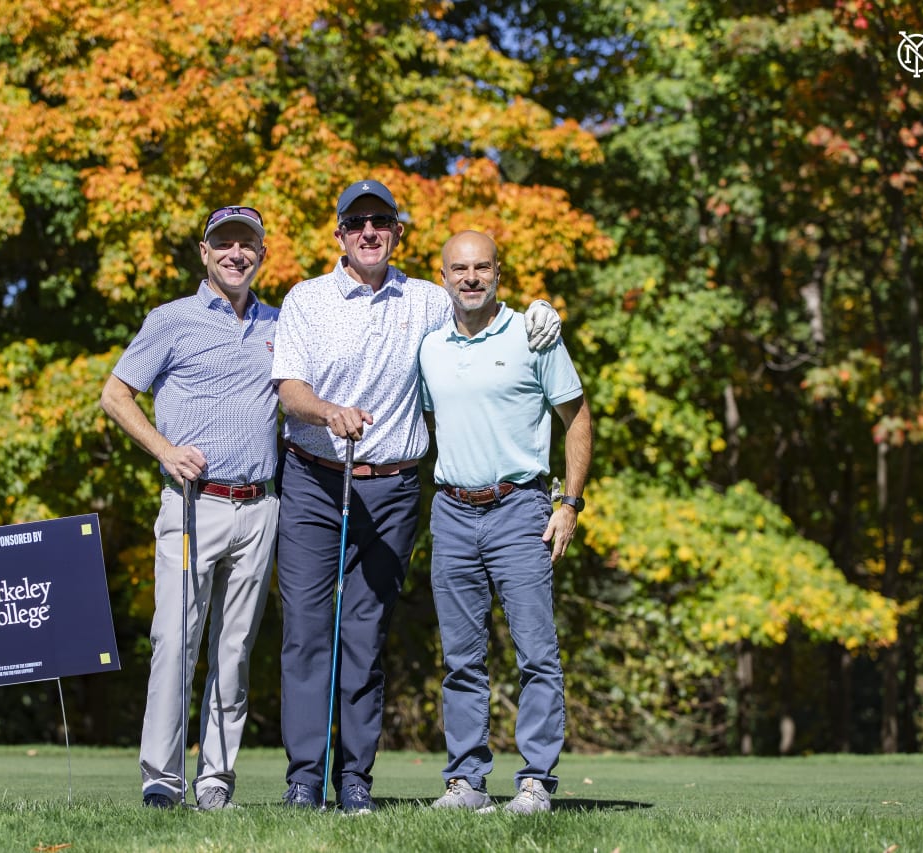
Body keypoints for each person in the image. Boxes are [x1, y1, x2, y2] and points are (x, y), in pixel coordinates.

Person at [271, 182, 563, 814]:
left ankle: (355, 782)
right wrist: (326, 412)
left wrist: (541, 308)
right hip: (314, 482)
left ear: (398, 234)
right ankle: (303, 779)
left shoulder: (428, 299)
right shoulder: (306, 298)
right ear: (339, 234)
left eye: (382, 221)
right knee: (306, 633)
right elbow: (288, 389)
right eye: (357, 223)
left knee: (365, 635)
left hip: (395, 489)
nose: (369, 232)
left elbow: (483, 310)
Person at [100, 205, 280, 811]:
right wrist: (164, 449)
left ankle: (216, 779)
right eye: (223, 244)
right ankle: (162, 777)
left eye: (246, 244)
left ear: (261, 254)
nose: (236, 254)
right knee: (176, 640)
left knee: (234, 650)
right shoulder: (171, 319)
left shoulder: (279, 323)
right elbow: (115, 392)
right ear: (204, 253)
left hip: (259, 508)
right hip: (191, 504)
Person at [419, 230, 592, 815]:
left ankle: (536, 782)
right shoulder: (430, 345)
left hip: (520, 510)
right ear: (443, 276)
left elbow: (577, 417)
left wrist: (569, 503)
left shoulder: (533, 334)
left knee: (536, 653)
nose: (471, 277)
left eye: (482, 267)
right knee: (461, 658)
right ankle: (466, 783)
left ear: (499, 273)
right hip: (451, 511)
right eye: (460, 268)